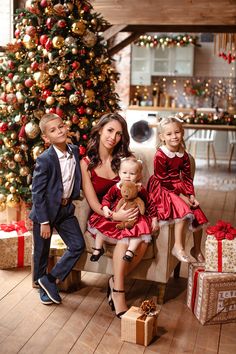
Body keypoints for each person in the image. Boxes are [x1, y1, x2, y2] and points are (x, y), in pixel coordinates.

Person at [80, 112, 151, 318]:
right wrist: (114, 216)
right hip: (105, 213)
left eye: (119, 133)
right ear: (100, 129)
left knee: (141, 239)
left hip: (128, 212)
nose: (114, 137)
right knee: (125, 238)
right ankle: (119, 293)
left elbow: (137, 188)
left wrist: (134, 214)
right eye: (110, 130)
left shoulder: (124, 160)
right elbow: (93, 202)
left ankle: (114, 282)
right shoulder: (86, 163)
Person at [30, 113, 85, 305]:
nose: (59, 131)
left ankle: (50, 279)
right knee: (42, 252)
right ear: (46, 138)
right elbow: (37, 193)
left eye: (61, 126)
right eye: (53, 130)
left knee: (78, 245)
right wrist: (44, 222)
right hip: (44, 213)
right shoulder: (45, 159)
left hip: (64, 210)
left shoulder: (75, 151)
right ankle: (40, 287)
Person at [147, 116, 208, 263]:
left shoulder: (184, 155)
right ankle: (178, 247)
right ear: (162, 137)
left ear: (182, 132)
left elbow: (186, 178)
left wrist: (190, 195)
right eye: (169, 134)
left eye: (177, 132)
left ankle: (197, 249)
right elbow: (163, 180)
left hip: (176, 185)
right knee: (183, 210)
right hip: (161, 188)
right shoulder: (160, 155)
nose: (174, 136)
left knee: (197, 212)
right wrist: (181, 196)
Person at [88, 156, 152, 263]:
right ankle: (98, 248)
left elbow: (147, 201)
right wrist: (105, 207)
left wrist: (142, 191)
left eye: (132, 174)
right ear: (119, 173)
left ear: (139, 175)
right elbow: (107, 198)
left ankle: (130, 251)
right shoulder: (116, 187)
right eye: (124, 172)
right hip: (116, 212)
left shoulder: (138, 188)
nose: (127, 176)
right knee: (102, 227)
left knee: (139, 232)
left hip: (134, 216)